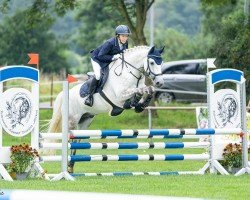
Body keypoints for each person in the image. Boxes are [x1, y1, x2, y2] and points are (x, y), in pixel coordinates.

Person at [84, 25, 131, 107]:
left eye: (126, 36)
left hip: (109, 60)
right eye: (123, 36)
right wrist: (113, 57)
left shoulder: (125, 43)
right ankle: (89, 97)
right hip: (97, 59)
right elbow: (101, 56)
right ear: (118, 35)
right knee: (98, 76)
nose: (125, 38)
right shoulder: (110, 43)